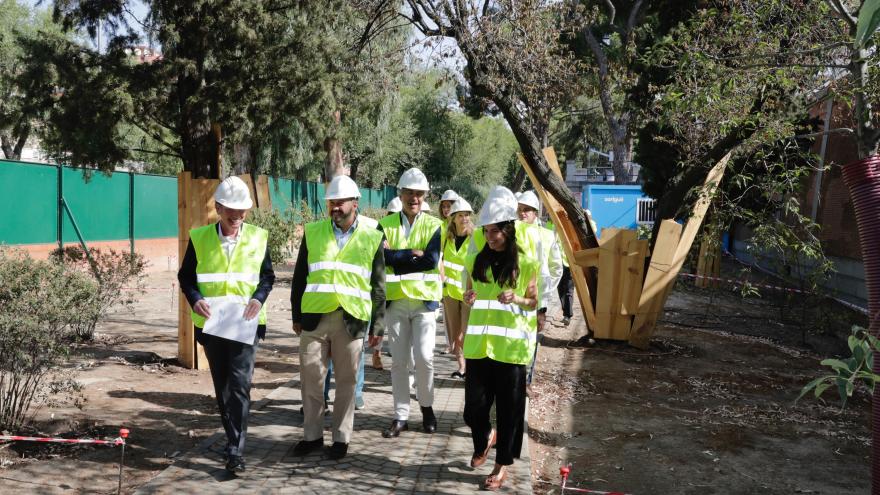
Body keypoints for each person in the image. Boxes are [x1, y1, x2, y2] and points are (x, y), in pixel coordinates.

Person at [177, 176, 275, 474]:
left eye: (243, 211)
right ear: (218, 207)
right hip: (213, 326)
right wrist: (194, 300)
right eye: (231, 210)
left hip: (246, 325)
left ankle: (235, 450)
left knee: (241, 386)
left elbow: (267, 276)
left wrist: (259, 298)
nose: (238, 216)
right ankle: (232, 438)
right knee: (223, 388)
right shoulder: (200, 237)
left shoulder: (258, 237)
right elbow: (186, 277)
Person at [290, 175, 386, 460]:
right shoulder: (313, 232)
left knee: (346, 382)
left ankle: (341, 439)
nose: (335, 206)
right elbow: (299, 277)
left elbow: (379, 286)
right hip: (314, 318)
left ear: (354, 203)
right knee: (311, 380)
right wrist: (296, 314)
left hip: (352, 319)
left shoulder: (372, 235)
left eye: (340, 202)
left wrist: (378, 324)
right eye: (331, 201)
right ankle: (312, 436)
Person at [462, 186, 538, 491]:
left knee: (509, 414)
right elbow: (471, 296)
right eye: (487, 231)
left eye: (496, 232)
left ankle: (500, 466)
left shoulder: (526, 263)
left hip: (511, 350)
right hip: (479, 348)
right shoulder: (476, 261)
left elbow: (533, 302)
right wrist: (469, 297)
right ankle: (483, 440)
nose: (491, 237)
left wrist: (518, 299)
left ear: (510, 230)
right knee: (472, 410)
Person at [379, 167, 443, 438]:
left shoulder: (435, 225)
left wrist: (397, 258)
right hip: (396, 303)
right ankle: (401, 416)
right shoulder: (386, 224)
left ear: (425, 196)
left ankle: (426, 407)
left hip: (424, 303)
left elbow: (430, 260)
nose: (414, 198)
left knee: (425, 358)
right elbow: (382, 259)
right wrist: (409, 254)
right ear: (401, 194)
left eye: (419, 193)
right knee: (399, 362)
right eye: (409, 193)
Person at [516, 191, 562, 395]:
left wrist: (544, 304)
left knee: (531, 342)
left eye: (526, 210)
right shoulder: (510, 232)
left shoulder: (546, 235)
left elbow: (555, 269)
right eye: (519, 210)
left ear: (535, 213)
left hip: (535, 301)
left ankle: (526, 381)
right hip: (512, 300)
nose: (522, 214)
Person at [441, 197, 474, 378]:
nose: (464, 219)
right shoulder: (446, 237)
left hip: (468, 294)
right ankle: (461, 366)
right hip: (449, 294)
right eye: (460, 215)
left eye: (467, 215)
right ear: (453, 218)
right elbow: (440, 260)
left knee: (466, 332)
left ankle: (468, 367)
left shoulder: (476, 237)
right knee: (455, 333)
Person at [437, 189, 461, 353]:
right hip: (445, 279)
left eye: (450, 206)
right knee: (448, 318)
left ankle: (455, 345)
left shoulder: (464, 228)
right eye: (444, 206)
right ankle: (449, 344)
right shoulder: (439, 226)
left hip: (462, 283)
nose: (447, 209)